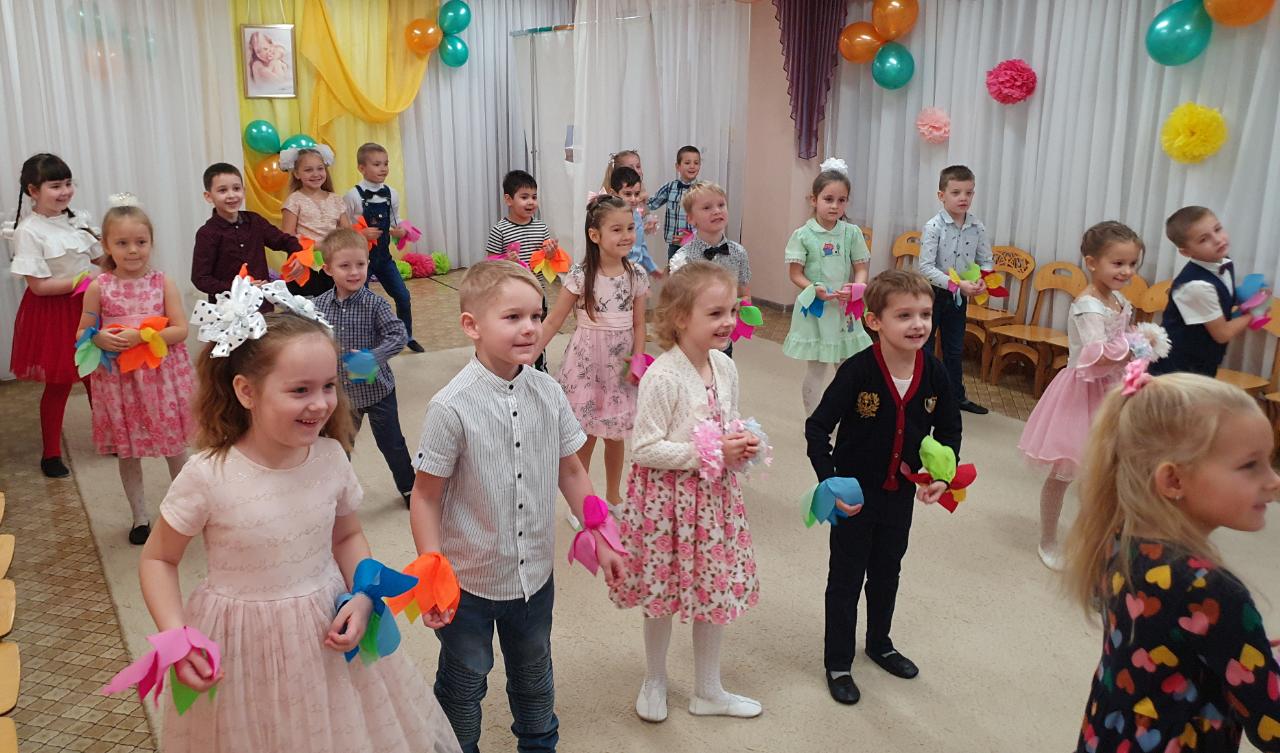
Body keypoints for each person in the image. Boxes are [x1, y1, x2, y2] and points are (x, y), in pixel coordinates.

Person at [138, 281, 460, 752]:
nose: (321, 403)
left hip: (323, 627)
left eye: (329, 386)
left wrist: (363, 594)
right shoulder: (208, 474)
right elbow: (158, 559)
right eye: (300, 390)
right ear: (246, 391)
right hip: (238, 639)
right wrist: (174, 634)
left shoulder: (331, 457)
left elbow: (346, 536)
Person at [408, 260, 622, 753]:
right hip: (468, 583)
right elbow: (425, 495)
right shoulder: (450, 406)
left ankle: (539, 744)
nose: (530, 327)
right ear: (472, 326)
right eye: (513, 317)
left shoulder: (549, 392)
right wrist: (432, 570)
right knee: (464, 682)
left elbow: (572, 471)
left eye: (537, 316)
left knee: (534, 674)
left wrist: (602, 534)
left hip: (533, 580)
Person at [1064, 370, 1280, 753]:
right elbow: (1272, 726)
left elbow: (1170, 639)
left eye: (1271, 461)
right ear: (1174, 480)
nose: (1274, 480)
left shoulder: (1119, 545)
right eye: (1250, 465)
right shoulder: (1213, 592)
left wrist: (1244, 645)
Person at [609, 260, 763, 723]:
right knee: (661, 592)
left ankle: (708, 690)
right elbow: (644, 448)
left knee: (712, 591)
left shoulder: (725, 366)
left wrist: (742, 442)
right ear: (680, 318)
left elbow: (726, 421)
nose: (728, 321)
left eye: (731, 311)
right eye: (715, 313)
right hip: (666, 504)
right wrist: (710, 451)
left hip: (714, 502)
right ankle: (654, 679)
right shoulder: (663, 376)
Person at [805, 270, 961, 706]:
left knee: (888, 571)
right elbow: (817, 428)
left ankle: (879, 643)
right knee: (846, 578)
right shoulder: (858, 370)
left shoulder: (935, 373)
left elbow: (949, 429)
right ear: (874, 321)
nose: (918, 324)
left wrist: (942, 476)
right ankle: (838, 661)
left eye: (925, 314)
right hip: (854, 499)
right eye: (904, 315)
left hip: (900, 497)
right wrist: (829, 480)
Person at [1018, 221, 1142, 570]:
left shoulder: (1118, 299)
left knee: (1106, 473)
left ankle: (1099, 539)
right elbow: (1095, 353)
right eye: (1118, 263)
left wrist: (1137, 351)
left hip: (1113, 390)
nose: (1126, 271)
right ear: (1092, 262)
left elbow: (1122, 341)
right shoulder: (1088, 305)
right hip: (1081, 392)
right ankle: (1048, 539)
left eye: (1132, 263)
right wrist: (1133, 347)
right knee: (1065, 471)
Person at [77, 200, 195, 544]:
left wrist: (144, 336)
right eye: (122, 243)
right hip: (120, 382)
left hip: (160, 379)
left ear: (151, 242)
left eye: (141, 242)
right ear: (106, 246)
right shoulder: (99, 286)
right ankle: (139, 516)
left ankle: (186, 511)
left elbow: (180, 329)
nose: (133, 250)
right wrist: (97, 337)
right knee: (129, 449)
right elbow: (83, 329)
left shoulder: (162, 282)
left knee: (174, 446)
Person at [538, 195, 648, 511]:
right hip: (587, 364)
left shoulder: (636, 274)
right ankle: (582, 502)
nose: (626, 235)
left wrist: (638, 359)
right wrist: (529, 353)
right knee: (584, 437)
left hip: (620, 366)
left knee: (615, 436)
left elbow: (640, 324)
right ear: (595, 235)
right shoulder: (580, 274)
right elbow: (554, 320)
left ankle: (613, 495)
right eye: (617, 229)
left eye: (630, 227)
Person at [6, 153, 104, 478]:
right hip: (53, 314)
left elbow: (101, 259)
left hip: (87, 307)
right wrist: (83, 280)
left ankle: (108, 435)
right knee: (59, 383)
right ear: (33, 191)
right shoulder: (28, 231)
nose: (64, 192)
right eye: (55, 186)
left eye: (67, 184)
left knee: (95, 375)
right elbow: (38, 286)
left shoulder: (78, 220)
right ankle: (50, 453)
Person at [312, 228, 415, 507]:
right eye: (345, 266)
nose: (354, 272)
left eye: (360, 264)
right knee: (339, 446)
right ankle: (338, 492)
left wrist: (374, 356)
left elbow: (398, 335)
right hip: (343, 396)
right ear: (328, 269)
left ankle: (409, 488)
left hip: (379, 391)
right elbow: (302, 331)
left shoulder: (375, 304)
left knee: (392, 443)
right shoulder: (318, 306)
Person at [781, 158, 872, 415]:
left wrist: (857, 287)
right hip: (818, 309)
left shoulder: (851, 233)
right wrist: (814, 288)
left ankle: (845, 417)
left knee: (847, 367)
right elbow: (795, 274)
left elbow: (861, 268)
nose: (834, 206)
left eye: (841, 200)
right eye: (828, 199)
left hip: (844, 310)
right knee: (817, 368)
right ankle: (813, 419)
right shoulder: (803, 235)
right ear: (814, 200)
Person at [918, 165, 995, 415]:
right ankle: (924, 395)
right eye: (956, 192)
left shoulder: (977, 227)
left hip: (960, 297)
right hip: (933, 294)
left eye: (969, 193)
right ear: (941, 196)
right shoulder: (934, 226)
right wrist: (956, 284)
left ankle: (955, 397)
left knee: (954, 348)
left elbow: (986, 260)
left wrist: (981, 279)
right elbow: (926, 267)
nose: (963, 198)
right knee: (926, 345)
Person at [1151, 206, 1260, 377]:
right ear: (1186, 252)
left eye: (1217, 229)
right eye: (1203, 239)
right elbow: (1222, 334)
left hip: (1203, 362)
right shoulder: (1196, 286)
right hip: (1177, 369)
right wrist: (1254, 312)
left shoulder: (1222, 261)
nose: (1217, 240)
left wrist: (1248, 296)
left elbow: (1222, 297)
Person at [343, 142, 423, 353]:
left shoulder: (391, 194)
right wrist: (361, 234)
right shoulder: (352, 196)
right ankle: (365, 342)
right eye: (377, 164)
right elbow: (342, 228)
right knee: (361, 301)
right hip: (361, 260)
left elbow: (396, 220)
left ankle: (406, 336)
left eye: (386, 164)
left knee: (403, 296)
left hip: (384, 258)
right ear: (361, 168)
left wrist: (401, 230)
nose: (383, 168)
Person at [192, 162, 301, 303]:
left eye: (236, 188)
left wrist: (297, 255)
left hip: (262, 305)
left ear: (243, 191)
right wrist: (237, 288)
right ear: (208, 196)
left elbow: (283, 240)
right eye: (222, 190)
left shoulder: (255, 221)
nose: (231, 195)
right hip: (227, 308)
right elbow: (200, 278)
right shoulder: (207, 233)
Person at [667, 182, 751, 358]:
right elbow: (679, 304)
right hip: (693, 339)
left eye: (721, 205)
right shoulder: (683, 258)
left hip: (724, 337)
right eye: (707, 207)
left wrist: (740, 308)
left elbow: (745, 294)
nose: (716, 211)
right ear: (691, 218)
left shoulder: (739, 252)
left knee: (722, 371)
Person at [485, 169, 553, 371]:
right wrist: (507, 261)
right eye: (524, 197)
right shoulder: (500, 230)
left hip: (537, 292)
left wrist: (550, 254)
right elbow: (490, 265)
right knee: (514, 335)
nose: (531, 202)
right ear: (508, 199)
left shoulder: (541, 228)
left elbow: (547, 262)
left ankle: (539, 369)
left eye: (534, 197)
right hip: (510, 295)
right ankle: (512, 369)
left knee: (537, 333)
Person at [281, 145, 350, 297]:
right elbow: (287, 236)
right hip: (306, 264)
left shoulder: (336, 199)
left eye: (320, 168)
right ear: (297, 174)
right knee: (310, 305)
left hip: (332, 261)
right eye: (308, 170)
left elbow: (347, 232)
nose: (316, 174)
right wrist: (316, 246)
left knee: (334, 301)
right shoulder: (294, 200)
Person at [647, 145, 702, 263]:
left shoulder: (703, 190)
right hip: (675, 244)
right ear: (678, 166)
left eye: (696, 163)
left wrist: (693, 235)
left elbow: (707, 218)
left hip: (695, 244)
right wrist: (635, 199)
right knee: (674, 271)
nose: (692, 166)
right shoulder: (670, 187)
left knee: (694, 272)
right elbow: (651, 204)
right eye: (687, 163)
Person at [607, 166, 659, 276]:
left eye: (637, 194)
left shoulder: (637, 216)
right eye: (628, 194)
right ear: (614, 194)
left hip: (636, 272)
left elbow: (641, 246)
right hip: (617, 273)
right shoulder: (608, 219)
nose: (634, 199)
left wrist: (653, 269)